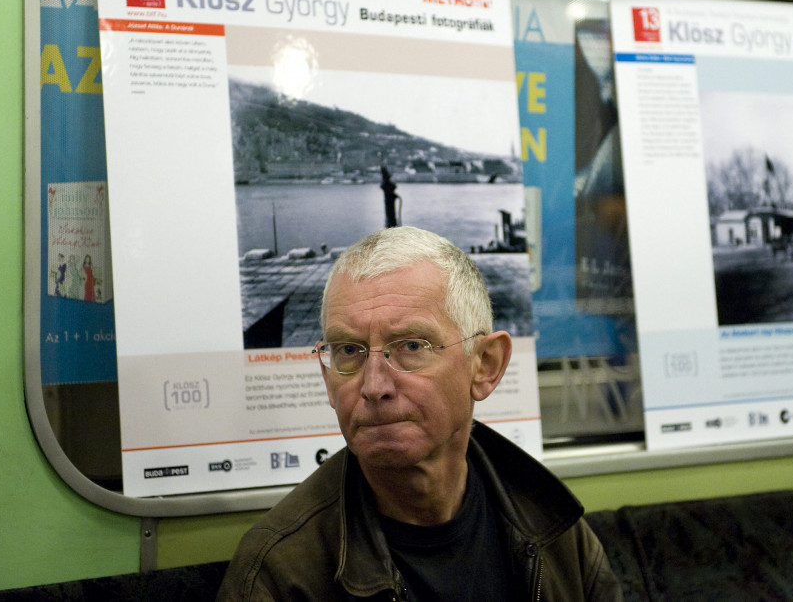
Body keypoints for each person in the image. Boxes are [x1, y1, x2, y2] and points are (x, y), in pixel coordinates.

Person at [219, 226, 622, 601]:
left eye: (411, 346)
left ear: (485, 365)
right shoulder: (280, 573)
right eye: (348, 351)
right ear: (327, 379)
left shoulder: (555, 530)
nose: (374, 386)